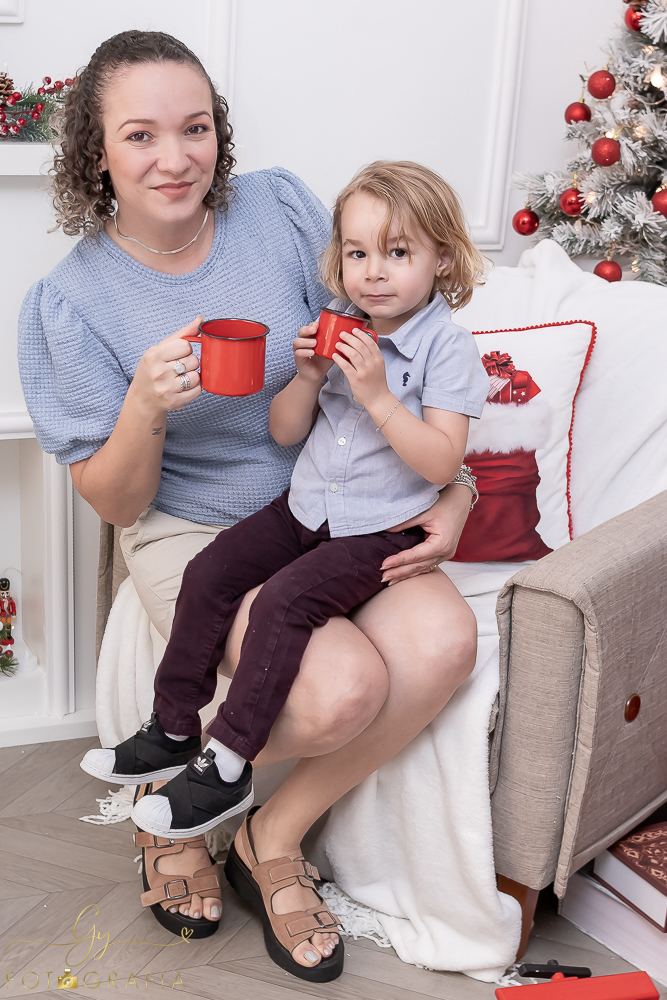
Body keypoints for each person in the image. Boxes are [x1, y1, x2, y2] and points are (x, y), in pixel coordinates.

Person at [18, 30, 480, 984]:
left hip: (337, 501)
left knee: (443, 644)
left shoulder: (275, 208)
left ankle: (274, 832)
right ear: (93, 150)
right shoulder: (69, 301)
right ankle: (177, 795)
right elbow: (112, 496)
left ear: (218, 134)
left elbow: (381, 342)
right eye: (140, 135)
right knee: (340, 687)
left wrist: (459, 488)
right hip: (191, 520)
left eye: (195, 129)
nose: (176, 157)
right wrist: (144, 409)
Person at [80, 160, 488, 864]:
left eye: (398, 253)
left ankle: (228, 763)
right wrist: (306, 377)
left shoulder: (446, 350)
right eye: (358, 253)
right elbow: (283, 433)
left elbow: (442, 463)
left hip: (372, 530)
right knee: (210, 572)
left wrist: (379, 397)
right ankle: (173, 725)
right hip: (305, 510)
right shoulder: (344, 328)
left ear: (441, 258)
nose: (374, 272)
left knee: (282, 603)